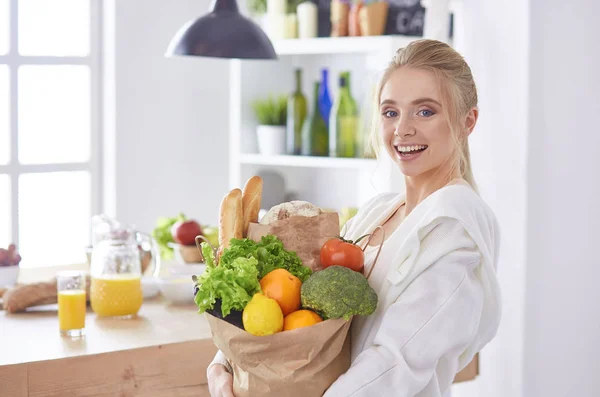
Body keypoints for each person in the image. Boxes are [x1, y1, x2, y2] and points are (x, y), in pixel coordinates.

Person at [207, 39, 502, 397]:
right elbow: (292, 299)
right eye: (390, 112)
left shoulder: (456, 236)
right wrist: (224, 363)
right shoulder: (375, 213)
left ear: (467, 121)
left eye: (425, 111)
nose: (402, 129)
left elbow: (394, 365)